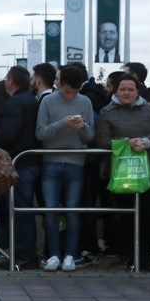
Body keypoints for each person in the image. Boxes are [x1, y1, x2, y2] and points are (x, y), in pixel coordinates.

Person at [95, 73, 150, 270]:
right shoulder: (107, 112)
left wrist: (146, 141)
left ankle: (143, 256)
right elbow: (102, 141)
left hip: (149, 171)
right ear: (116, 91)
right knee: (124, 217)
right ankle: (130, 255)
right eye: (122, 89)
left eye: (131, 89)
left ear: (137, 91)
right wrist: (126, 143)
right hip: (122, 173)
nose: (126, 93)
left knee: (149, 216)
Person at [0, 66, 39, 269]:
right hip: (27, 161)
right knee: (22, 209)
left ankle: (24, 255)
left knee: (19, 210)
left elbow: (9, 135)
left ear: (10, 80)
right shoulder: (30, 99)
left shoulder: (16, 103)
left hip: (18, 162)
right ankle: (24, 253)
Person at [35, 65, 94, 272]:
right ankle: (53, 254)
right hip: (51, 160)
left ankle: (70, 254)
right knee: (50, 209)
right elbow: (40, 133)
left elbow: (90, 136)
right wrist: (62, 123)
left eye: (75, 92)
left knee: (72, 209)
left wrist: (83, 126)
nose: (71, 95)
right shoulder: (48, 101)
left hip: (76, 161)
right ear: (60, 84)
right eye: (68, 91)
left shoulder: (85, 101)